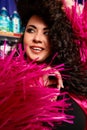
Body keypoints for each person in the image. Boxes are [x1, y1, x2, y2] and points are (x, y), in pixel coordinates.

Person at [16, 0, 87, 130]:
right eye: (31, 30)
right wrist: (36, 79)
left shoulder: (74, 74)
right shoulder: (10, 79)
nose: (37, 38)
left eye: (47, 32)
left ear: (57, 38)